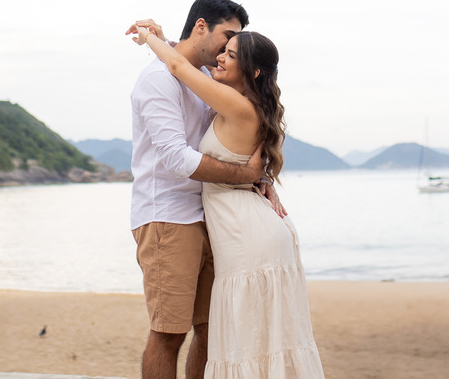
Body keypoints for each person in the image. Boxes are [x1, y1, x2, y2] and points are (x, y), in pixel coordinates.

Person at [133, 24, 325, 379]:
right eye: (223, 49)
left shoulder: (236, 104)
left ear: (253, 72)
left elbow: (178, 65)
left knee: (249, 338)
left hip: (246, 233)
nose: (220, 57)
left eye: (231, 54)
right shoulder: (243, 103)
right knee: (254, 336)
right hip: (245, 226)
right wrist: (256, 177)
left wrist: (150, 38)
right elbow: (190, 57)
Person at [129, 0, 269, 379]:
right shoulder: (158, 79)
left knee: (210, 331)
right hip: (168, 216)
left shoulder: (206, 77)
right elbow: (178, 159)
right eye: (228, 36)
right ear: (201, 26)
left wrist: (263, 178)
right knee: (169, 333)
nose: (229, 48)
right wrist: (246, 176)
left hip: (210, 215)